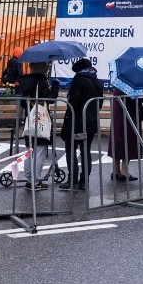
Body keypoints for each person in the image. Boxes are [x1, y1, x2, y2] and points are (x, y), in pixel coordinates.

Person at [59, 58, 103, 190]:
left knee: (71, 151)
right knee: (86, 151)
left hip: (76, 122)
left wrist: (67, 119)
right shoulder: (97, 82)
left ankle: (72, 179)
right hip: (91, 123)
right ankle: (85, 180)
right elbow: (99, 104)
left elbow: (73, 104)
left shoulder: (78, 80)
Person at [17, 61, 58, 191]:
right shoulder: (41, 82)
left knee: (29, 151)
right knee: (40, 151)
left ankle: (29, 179)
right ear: (41, 67)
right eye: (45, 65)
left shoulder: (25, 82)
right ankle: (35, 181)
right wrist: (55, 87)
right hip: (41, 121)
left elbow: (23, 103)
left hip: (29, 119)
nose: (47, 68)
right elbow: (50, 99)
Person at [108, 91, 143, 181]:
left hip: (117, 114)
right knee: (128, 141)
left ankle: (116, 171)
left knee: (117, 141)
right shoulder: (130, 83)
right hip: (129, 115)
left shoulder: (119, 83)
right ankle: (124, 171)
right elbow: (135, 100)